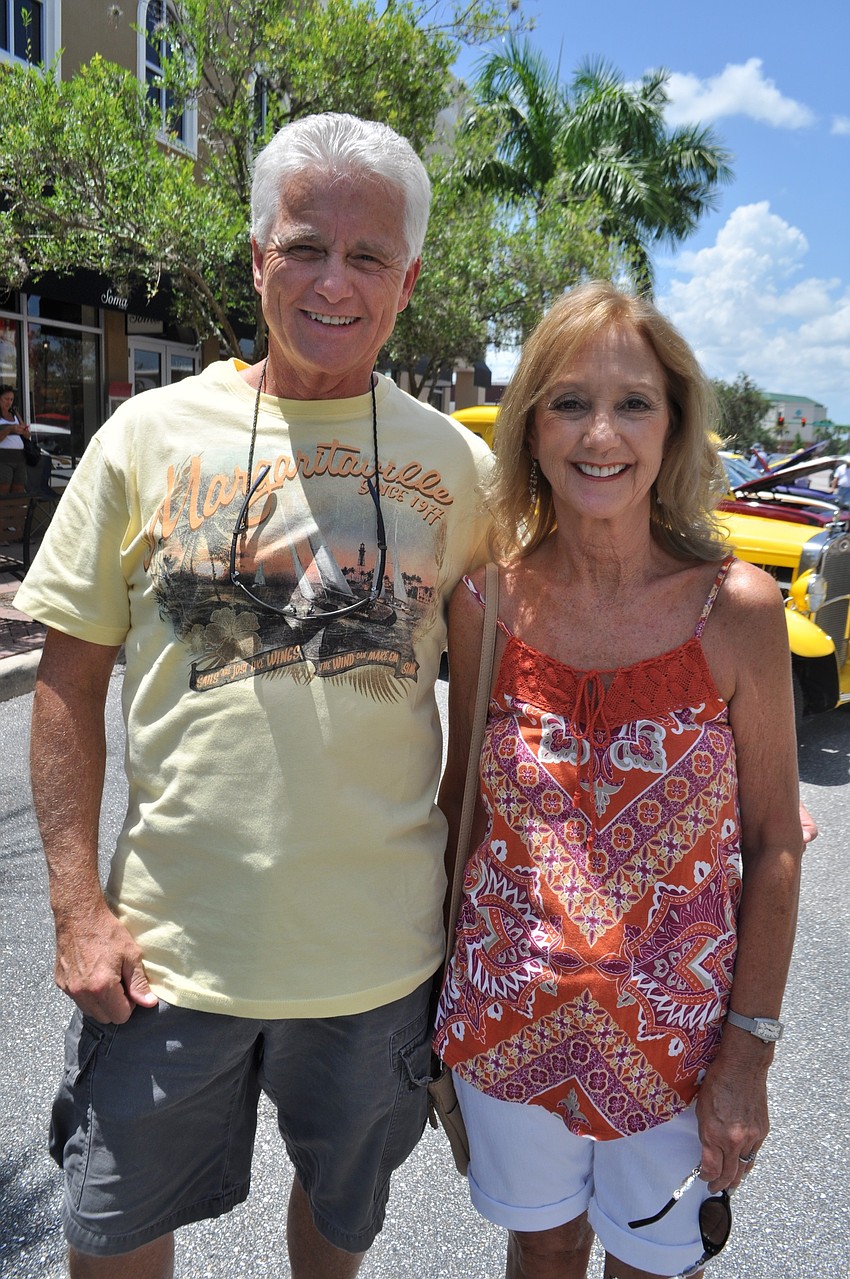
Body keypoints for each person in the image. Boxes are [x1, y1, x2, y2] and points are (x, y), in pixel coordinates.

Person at [16, 112, 492, 1279]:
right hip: (170, 952)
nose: (333, 280)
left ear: (408, 280)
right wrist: (78, 909)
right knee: (113, 1227)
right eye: (303, 245)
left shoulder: (460, 471)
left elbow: (480, 725)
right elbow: (67, 679)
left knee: (340, 1213)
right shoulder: (144, 435)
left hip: (379, 958)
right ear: (256, 259)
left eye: (368, 256)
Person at [433, 281, 804, 1279]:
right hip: (504, 1027)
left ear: (674, 423)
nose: (601, 432)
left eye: (633, 401)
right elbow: (456, 807)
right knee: (542, 1252)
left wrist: (748, 1056)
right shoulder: (486, 600)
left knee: (652, 1268)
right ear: (530, 426)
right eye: (568, 401)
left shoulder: (735, 611)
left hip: (682, 1052)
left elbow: (774, 843)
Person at [0, 383, 31, 493]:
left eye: (11, 399)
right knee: (3, 492)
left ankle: (17, 511)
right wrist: (10, 429)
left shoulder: (15, 414)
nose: (9, 402)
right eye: (6, 399)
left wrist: (24, 431)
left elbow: (27, 435)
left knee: (19, 492)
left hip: (19, 458)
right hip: (3, 459)